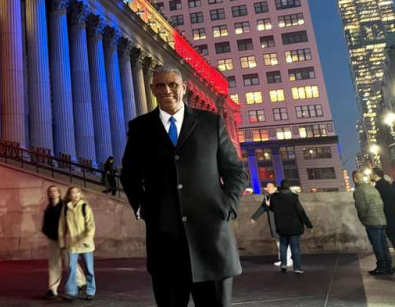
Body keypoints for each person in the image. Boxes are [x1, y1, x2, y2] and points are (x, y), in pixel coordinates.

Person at [121, 65, 247, 307]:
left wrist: (228, 206)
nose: (167, 90)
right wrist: (144, 209)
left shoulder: (212, 123)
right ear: (152, 89)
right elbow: (130, 175)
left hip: (212, 244)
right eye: (160, 85)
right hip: (165, 246)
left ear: (184, 88)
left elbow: (235, 172)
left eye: (173, 84)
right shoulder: (140, 128)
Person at [41, 185, 85, 299]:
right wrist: (50, 235)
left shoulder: (64, 207)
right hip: (53, 239)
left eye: (55, 191)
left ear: (59, 193)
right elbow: (45, 226)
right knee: (54, 264)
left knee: (70, 262)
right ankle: (52, 288)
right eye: (50, 191)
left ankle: (80, 283)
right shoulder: (48, 209)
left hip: (65, 238)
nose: (53, 193)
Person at [352, 170, 393, 275]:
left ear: (355, 179)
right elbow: (381, 203)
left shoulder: (359, 190)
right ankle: (388, 266)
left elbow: (361, 208)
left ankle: (381, 267)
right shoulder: (372, 188)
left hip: (371, 221)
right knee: (383, 244)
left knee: (377, 245)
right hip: (381, 219)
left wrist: (363, 220)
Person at [58, 186, 96, 301]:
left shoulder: (85, 207)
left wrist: (86, 238)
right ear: (69, 195)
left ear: (80, 194)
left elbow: (91, 225)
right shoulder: (66, 209)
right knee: (71, 268)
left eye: (77, 192)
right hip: (73, 244)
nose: (75, 195)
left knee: (89, 269)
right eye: (72, 193)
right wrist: (62, 242)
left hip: (86, 244)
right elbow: (62, 227)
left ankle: (90, 291)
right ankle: (71, 291)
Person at [267, 179, 312, 274]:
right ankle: (297, 268)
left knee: (283, 246)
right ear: (289, 187)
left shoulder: (275, 197)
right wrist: (309, 225)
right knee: (295, 247)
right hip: (294, 227)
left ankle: (283, 264)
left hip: (281, 226)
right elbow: (301, 212)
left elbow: (272, 208)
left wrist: (268, 205)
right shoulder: (294, 197)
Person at [250, 182, 292, 267]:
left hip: (282, 222)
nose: (268, 188)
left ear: (275, 188)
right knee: (278, 241)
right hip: (274, 222)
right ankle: (283, 259)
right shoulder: (267, 197)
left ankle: (288, 260)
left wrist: (270, 205)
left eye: (270, 186)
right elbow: (262, 208)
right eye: (267, 186)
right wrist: (254, 217)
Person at [370, 167, 395, 249]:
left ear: (375, 175)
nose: (369, 175)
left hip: (388, 219)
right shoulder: (389, 184)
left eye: (371, 174)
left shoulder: (376, 189)